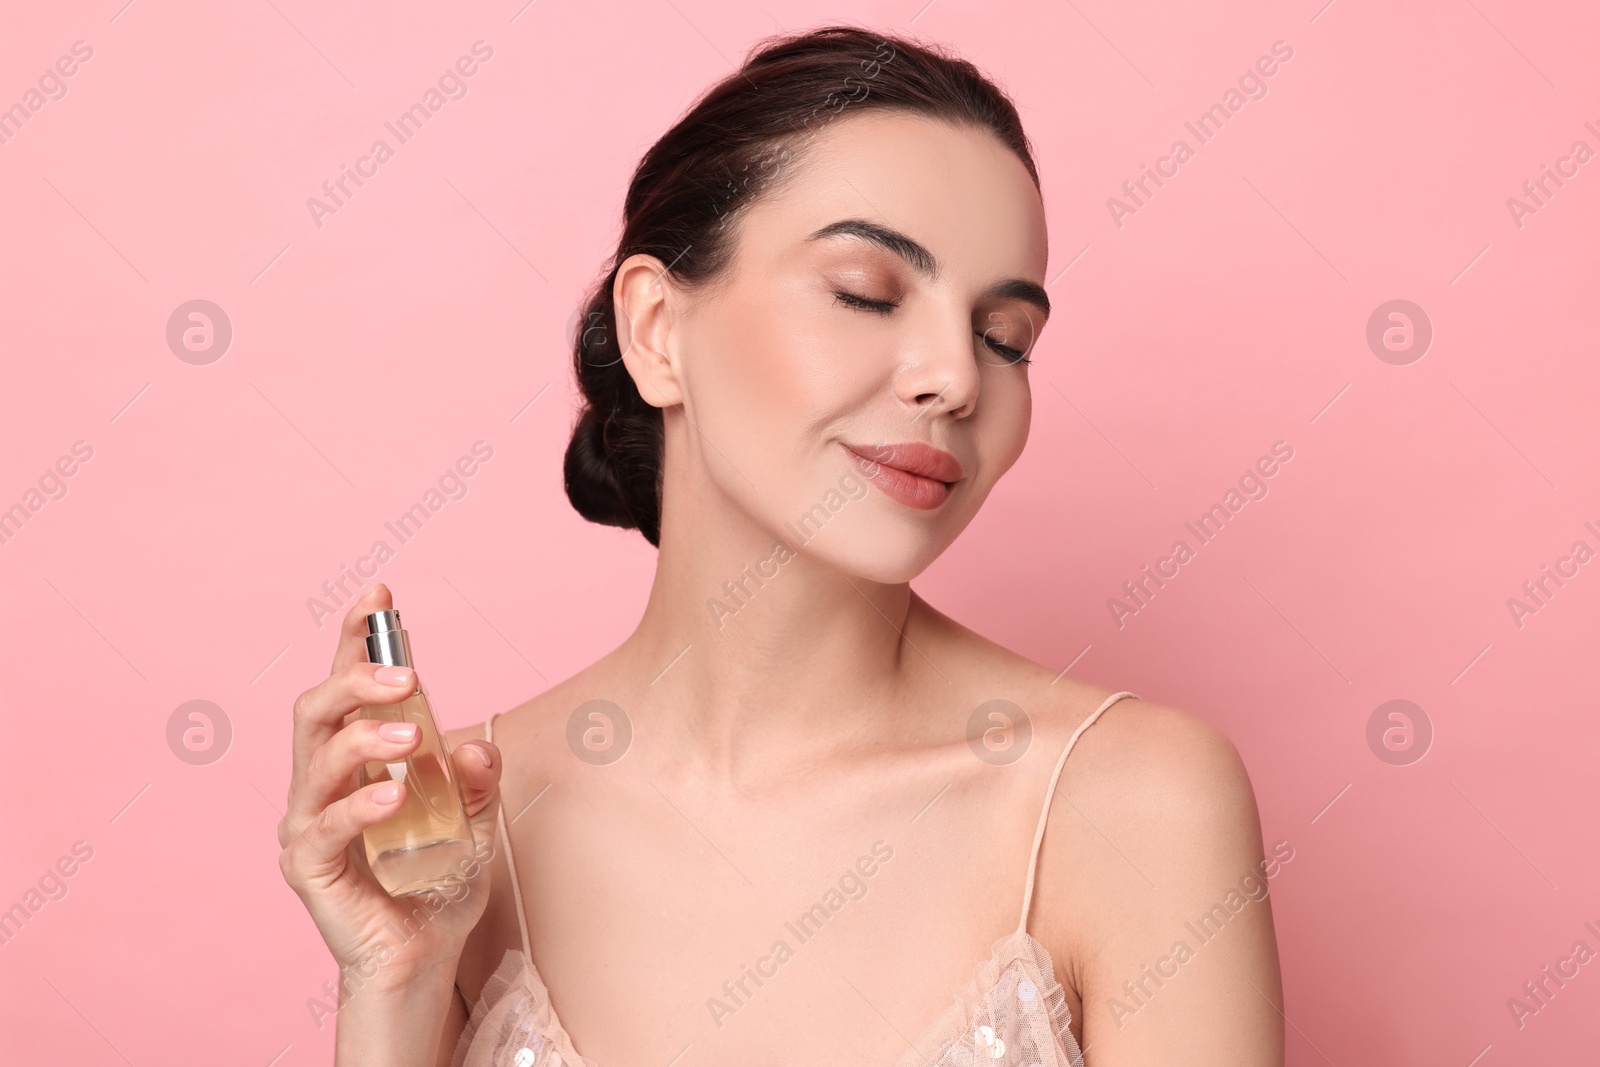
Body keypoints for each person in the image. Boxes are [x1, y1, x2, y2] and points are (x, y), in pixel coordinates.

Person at [278, 24, 1285, 1067]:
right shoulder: (467, 827)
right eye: (866, 291)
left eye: (1005, 337)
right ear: (658, 330)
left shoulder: (1132, 801)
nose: (956, 375)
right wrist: (391, 984)